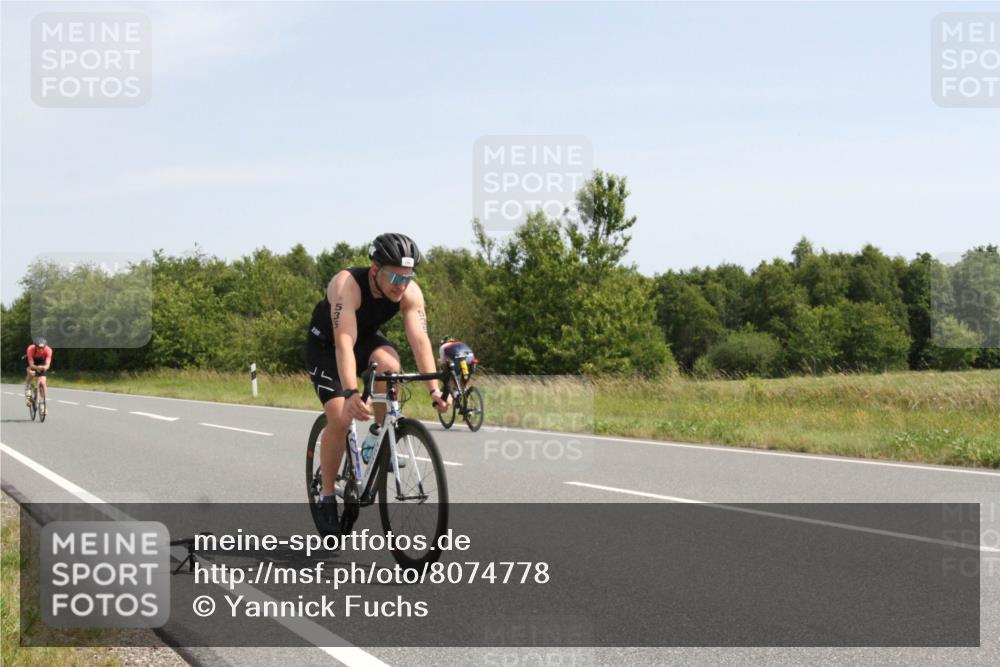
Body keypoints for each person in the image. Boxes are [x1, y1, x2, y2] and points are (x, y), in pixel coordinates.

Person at [305, 233, 451, 535]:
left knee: (391, 366)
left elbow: (420, 340)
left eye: (408, 277)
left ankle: (377, 439)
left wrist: (434, 390)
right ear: (375, 270)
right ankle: (327, 496)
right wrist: (350, 393)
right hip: (327, 346)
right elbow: (344, 343)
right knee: (340, 417)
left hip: (365, 339)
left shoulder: (409, 292)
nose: (402, 284)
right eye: (395, 276)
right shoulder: (348, 286)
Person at [25, 336, 52, 403]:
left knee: (43, 381)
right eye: (39, 348)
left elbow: (47, 364)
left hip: (41, 361)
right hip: (32, 360)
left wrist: (44, 367)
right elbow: (31, 364)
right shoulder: (30, 349)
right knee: (31, 373)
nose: (41, 349)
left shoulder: (48, 350)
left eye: (42, 348)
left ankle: (43, 402)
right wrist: (37, 368)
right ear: (35, 346)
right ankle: (28, 386)